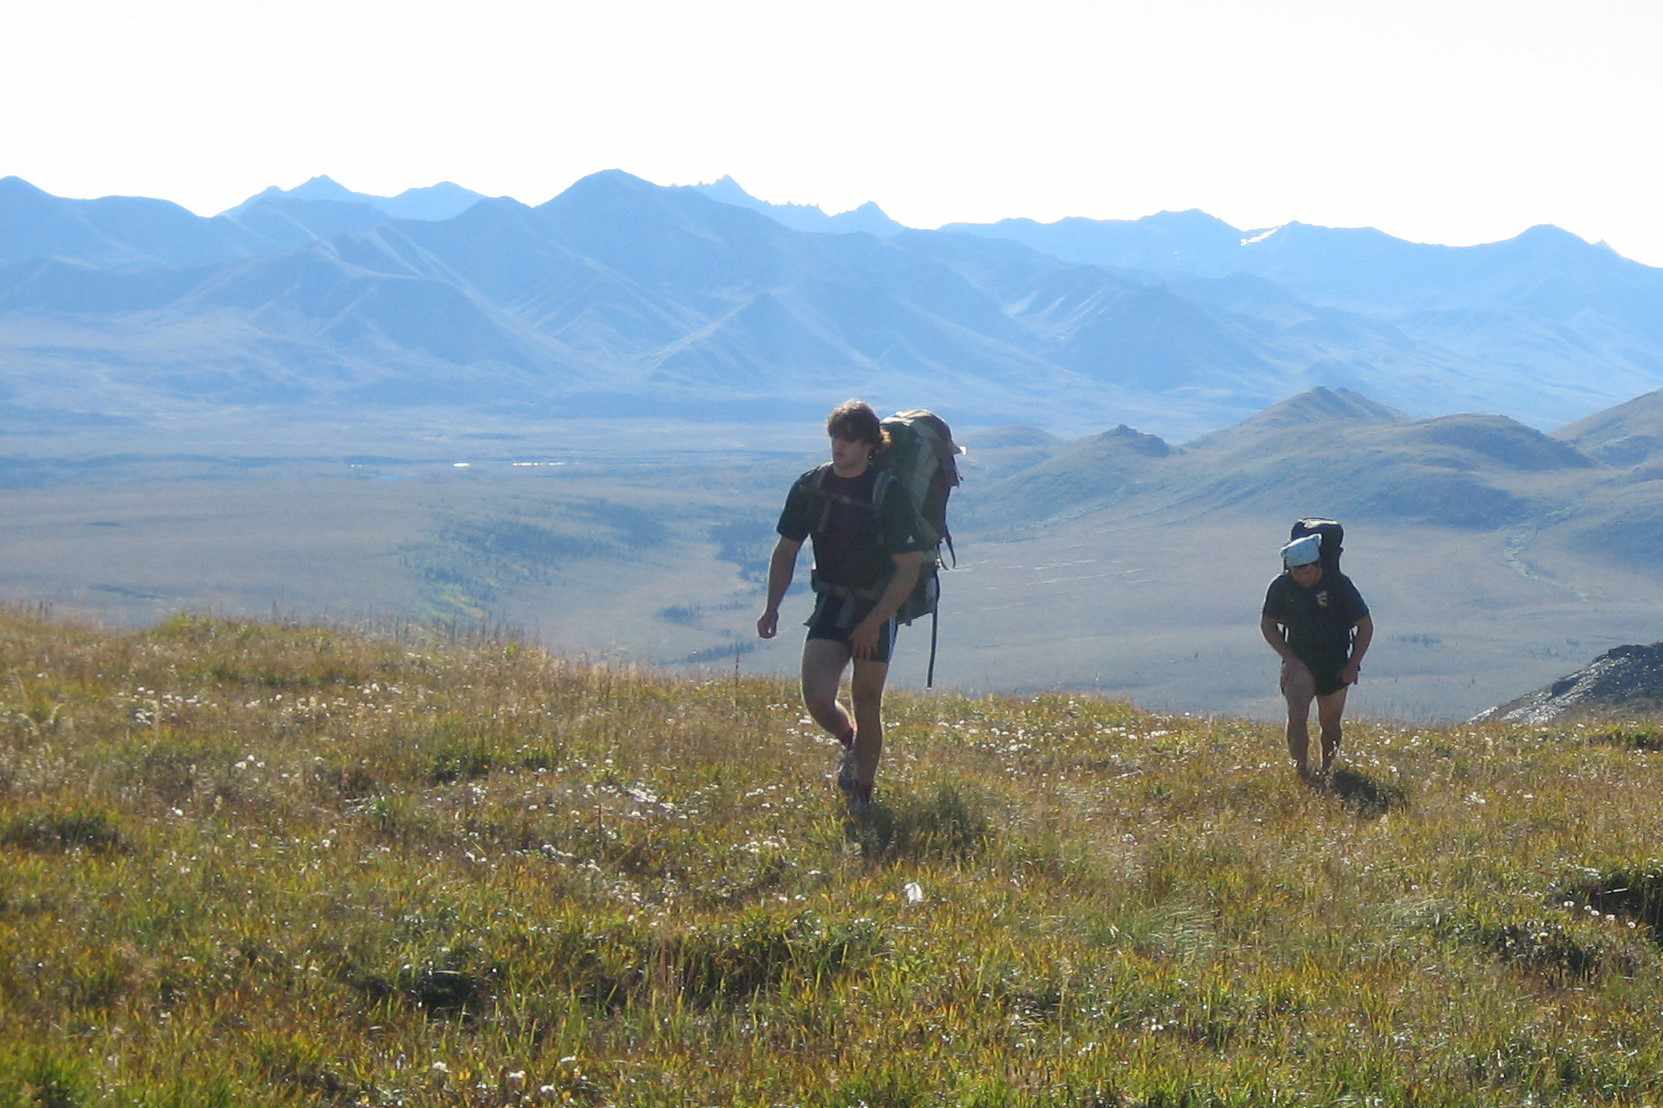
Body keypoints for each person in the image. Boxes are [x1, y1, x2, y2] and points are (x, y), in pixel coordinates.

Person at [757, 400, 929, 810]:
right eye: (836, 436)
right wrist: (771, 607)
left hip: (877, 606)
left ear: (870, 445)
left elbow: (908, 569)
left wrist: (874, 623)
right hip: (832, 601)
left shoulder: (887, 493)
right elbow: (786, 550)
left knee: (867, 699)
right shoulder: (810, 487)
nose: (840, 446)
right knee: (817, 697)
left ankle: (861, 794)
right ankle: (850, 742)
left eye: (850, 439)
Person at [1259, 533, 1374, 782]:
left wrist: (1353, 665)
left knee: (1330, 723)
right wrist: (1288, 658)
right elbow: (1268, 624)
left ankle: (1327, 769)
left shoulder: (1340, 586)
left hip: (1335, 663)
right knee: (1297, 716)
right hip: (1299, 662)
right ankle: (1301, 772)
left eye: (1305, 570)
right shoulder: (1281, 586)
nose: (1300, 576)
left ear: (1317, 565)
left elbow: (1365, 626)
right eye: (1295, 571)